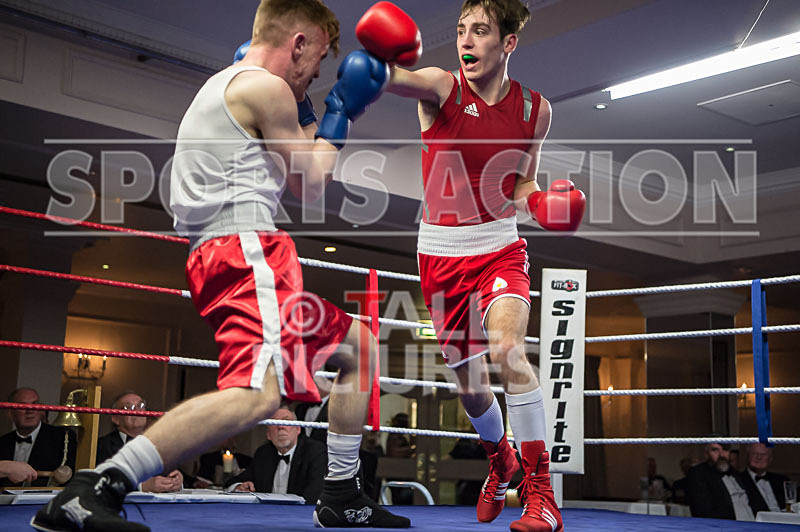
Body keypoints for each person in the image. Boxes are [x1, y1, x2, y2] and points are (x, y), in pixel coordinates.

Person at [32, 1, 417, 529]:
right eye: (321, 58)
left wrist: (310, 109)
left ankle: (341, 493)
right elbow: (311, 181)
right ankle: (98, 486)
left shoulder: (229, 85)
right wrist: (342, 108)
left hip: (228, 249)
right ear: (299, 43)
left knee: (360, 349)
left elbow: (297, 156)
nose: (320, 72)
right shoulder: (264, 86)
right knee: (254, 397)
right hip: (246, 251)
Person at [360, 0, 586, 529]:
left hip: (499, 246)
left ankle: (541, 496)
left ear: (507, 43)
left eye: (480, 31)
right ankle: (498, 457)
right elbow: (384, 79)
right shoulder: (441, 86)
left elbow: (524, 180)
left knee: (508, 350)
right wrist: (377, 56)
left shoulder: (535, 109)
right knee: (471, 384)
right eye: (461, 30)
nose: (465, 40)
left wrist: (540, 205)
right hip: (439, 254)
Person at [225, 407, 326, 503]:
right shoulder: (264, 454)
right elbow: (235, 481)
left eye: (286, 421)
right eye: (274, 422)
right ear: (268, 434)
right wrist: (239, 487)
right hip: (265, 515)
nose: (281, 427)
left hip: (299, 516)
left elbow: (314, 494)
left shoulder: (315, 451)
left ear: (298, 429)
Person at [96, 391, 184, 493]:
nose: (137, 410)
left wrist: (176, 481)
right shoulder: (102, 445)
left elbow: (172, 476)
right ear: (116, 418)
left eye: (140, 405)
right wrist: (141, 486)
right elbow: (100, 483)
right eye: (128, 407)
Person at [0, 387, 76, 487]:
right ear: (10, 413)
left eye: (35, 404)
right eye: (23, 405)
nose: (30, 410)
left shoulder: (63, 437)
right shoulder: (2, 442)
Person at [687, 441, 753, 520]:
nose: (722, 455)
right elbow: (703, 512)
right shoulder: (699, 474)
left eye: (725, 450)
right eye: (715, 450)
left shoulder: (736, 474)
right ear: (706, 454)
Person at [738, 443, 789, 515]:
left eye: (763, 454)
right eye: (754, 453)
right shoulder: (737, 481)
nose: (758, 457)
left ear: (770, 458)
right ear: (748, 456)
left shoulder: (782, 481)